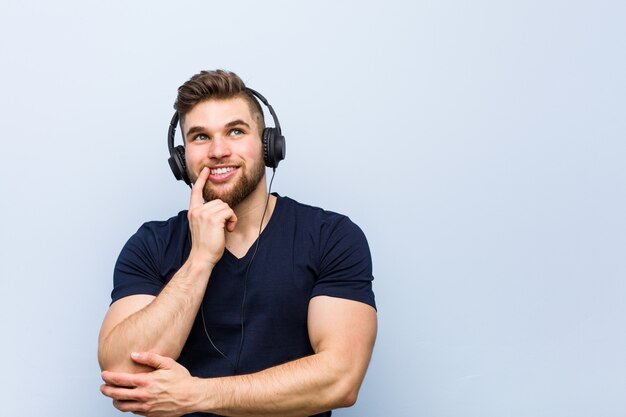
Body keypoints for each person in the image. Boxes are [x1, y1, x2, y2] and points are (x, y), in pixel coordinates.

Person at [98, 69, 377, 417]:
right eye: (200, 137)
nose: (218, 150)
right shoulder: (151, 245)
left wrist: (197, 394)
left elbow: (340, 379)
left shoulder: (330, 237)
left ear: (267, 144)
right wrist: (200, 259)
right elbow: (125, 373)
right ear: (181, 159)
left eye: (235, 131)